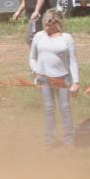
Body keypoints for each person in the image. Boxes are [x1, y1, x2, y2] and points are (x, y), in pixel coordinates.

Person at [29, 8, 79, 148]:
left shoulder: (66, 38)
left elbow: (73, 61)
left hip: (62, 79)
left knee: (65, 108)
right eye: (44, 23)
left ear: (56, 22)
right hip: (44, 79)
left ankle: (69, 141)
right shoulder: (39, 36)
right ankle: (49, 141)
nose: (46, 26)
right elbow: (32, 57)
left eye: (49, 23)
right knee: (49, 108)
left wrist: (75, 82)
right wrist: (36, 72)